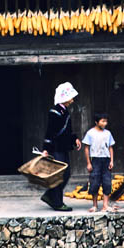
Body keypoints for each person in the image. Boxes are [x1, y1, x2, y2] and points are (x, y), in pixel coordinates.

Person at [41, 82, 81, 211]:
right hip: (56, 148)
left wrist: (75, 139)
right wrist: (46, 149)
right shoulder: (55, 112)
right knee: (60, 175)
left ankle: (49, 195)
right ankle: (57, 203)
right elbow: (50, 131)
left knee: (66, 174)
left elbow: (67, 131)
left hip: (63, 147)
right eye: (71, 97)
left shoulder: (65, 111)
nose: (72, 100)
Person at [82, 113, 115, 212]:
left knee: (107, 182)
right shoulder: (90, 133)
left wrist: (112, 161)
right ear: (96, 122)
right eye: (103, 121)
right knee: (94, 182)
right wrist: (88, 163)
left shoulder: (108, 133)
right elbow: (86, 148)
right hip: (95, 160)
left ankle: (105, 205)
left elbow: (110, 147)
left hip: (106, 159)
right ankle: (95, 205)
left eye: (106, 121)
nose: (105, 123)